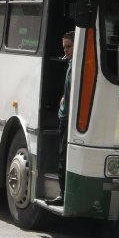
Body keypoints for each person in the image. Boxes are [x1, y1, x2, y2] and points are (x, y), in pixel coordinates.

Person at [47, 31, 74, 206]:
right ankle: (62, 193)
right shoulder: (70, 63)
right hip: (64, 115)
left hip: (70, 117)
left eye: (69, 46)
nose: (66, 50)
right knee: (62, 155)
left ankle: (64, 195)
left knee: (65, 156)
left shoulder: (79, 65)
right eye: (64, 47)